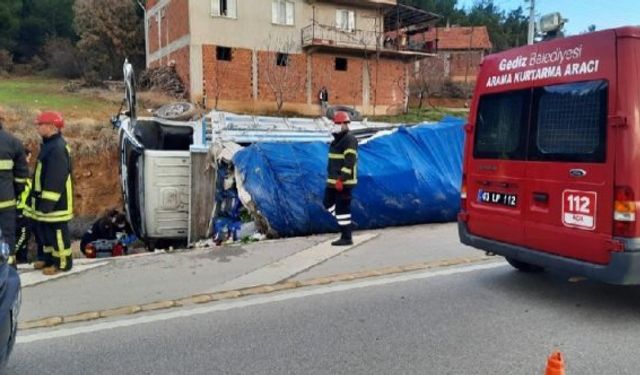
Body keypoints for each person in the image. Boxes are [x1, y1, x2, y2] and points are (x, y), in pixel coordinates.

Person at [27, 111, 74, 275]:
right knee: (45, 232)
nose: (38, 127)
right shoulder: (50, 145)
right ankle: (48, 259)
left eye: (40, 125)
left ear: (52, 127)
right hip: (46, 203)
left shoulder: (57, 148)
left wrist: (47, 202)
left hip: (56, 203)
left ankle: (62, 263)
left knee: (58, 233)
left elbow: (55, 178)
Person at [0, 106, 30, 267]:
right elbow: (21, 177)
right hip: (6, 201)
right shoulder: (13, 143)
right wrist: (15, 193)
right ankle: (8, 266)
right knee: (7, 235)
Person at [323, 111, 358, 246]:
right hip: (333, 181)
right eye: (335, 123)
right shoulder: (337, 139)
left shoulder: (349, 139)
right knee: (327, 203)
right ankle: (348, 225)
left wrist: (341, 179)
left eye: (338, 123)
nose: (335, 125)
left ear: (345, 124)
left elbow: (350, 161)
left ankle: (346, 237)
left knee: (342, 209)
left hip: (343, 182)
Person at [15, 147, 33, 264]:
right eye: (28, 158)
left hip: (24, 213)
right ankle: (9, 255)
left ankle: (22, 260)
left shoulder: (24, 174)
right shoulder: (19, 174)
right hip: (20, 214)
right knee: (22, 238)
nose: (29, 161)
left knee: (24, 243)